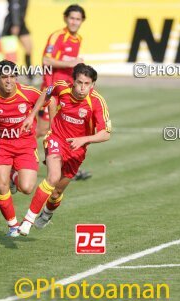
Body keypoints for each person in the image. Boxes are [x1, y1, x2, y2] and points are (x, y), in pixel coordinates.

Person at [13, 63, 111, 237]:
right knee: (53, 176)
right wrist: (31, 114)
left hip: (77, 150)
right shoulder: (61, 87)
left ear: (93, 85)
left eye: (87, 84)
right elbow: (46, 92)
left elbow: (105, 134)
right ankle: (27, 220)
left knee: (57, 191)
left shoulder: (97, 102)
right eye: (79, 82)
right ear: (73, 81)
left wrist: (84, 139)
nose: (82, 87)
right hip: (56, 139)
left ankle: (48, 213)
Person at [0, 60, 41, 237]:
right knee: (1, 185)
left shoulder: (28, 93)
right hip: (1, 144)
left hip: (25, 144)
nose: (9, 81)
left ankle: (14, 177)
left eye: (12, 76)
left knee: (27, 188)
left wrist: (37, 119)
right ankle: (13, 225)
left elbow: (47, 98)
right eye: (4, 77)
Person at [36, 4, 91, 181]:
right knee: (43, 129)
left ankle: (68, 169)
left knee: (69, 129)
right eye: (72, 18)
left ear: (82, 21)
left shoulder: (78, 39)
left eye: (78, 19)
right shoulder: (57, 36)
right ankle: (16, 155)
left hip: (68, 94)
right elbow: (46, 60)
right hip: (52, 91)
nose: (74, 22)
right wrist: (71, 63)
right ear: (66, 18)